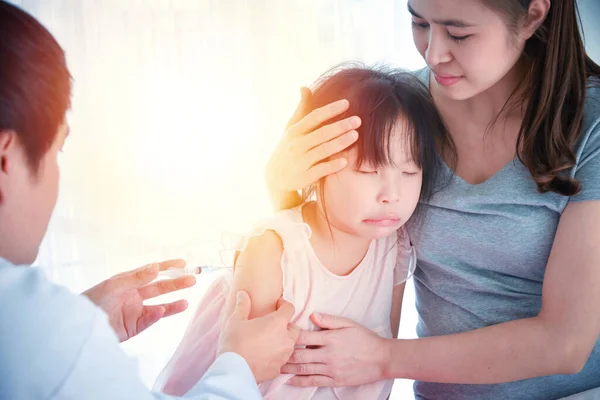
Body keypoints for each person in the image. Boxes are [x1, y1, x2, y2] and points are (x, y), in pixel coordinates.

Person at [266, 0, 600, 399]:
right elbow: (348, 265)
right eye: (419, 22)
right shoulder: (399, 112)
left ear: (532, 16)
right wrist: (284, 190)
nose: (433, 53)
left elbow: (564, 344)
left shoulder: (590, 123)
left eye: (459, 33)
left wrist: (383, 358)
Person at [0, 1, 298, 399]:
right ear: (5, 160)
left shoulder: (30, 330)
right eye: (58, 151)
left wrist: (74, 329)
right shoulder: (41, 332)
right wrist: (240, 366)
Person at [152, 65, 451, 399]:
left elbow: (380, 367)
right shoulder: (274, 251)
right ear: (316, 162)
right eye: (369, 169)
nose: (391, 194)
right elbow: (246, 378)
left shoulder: (394, 246)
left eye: (410, 171)